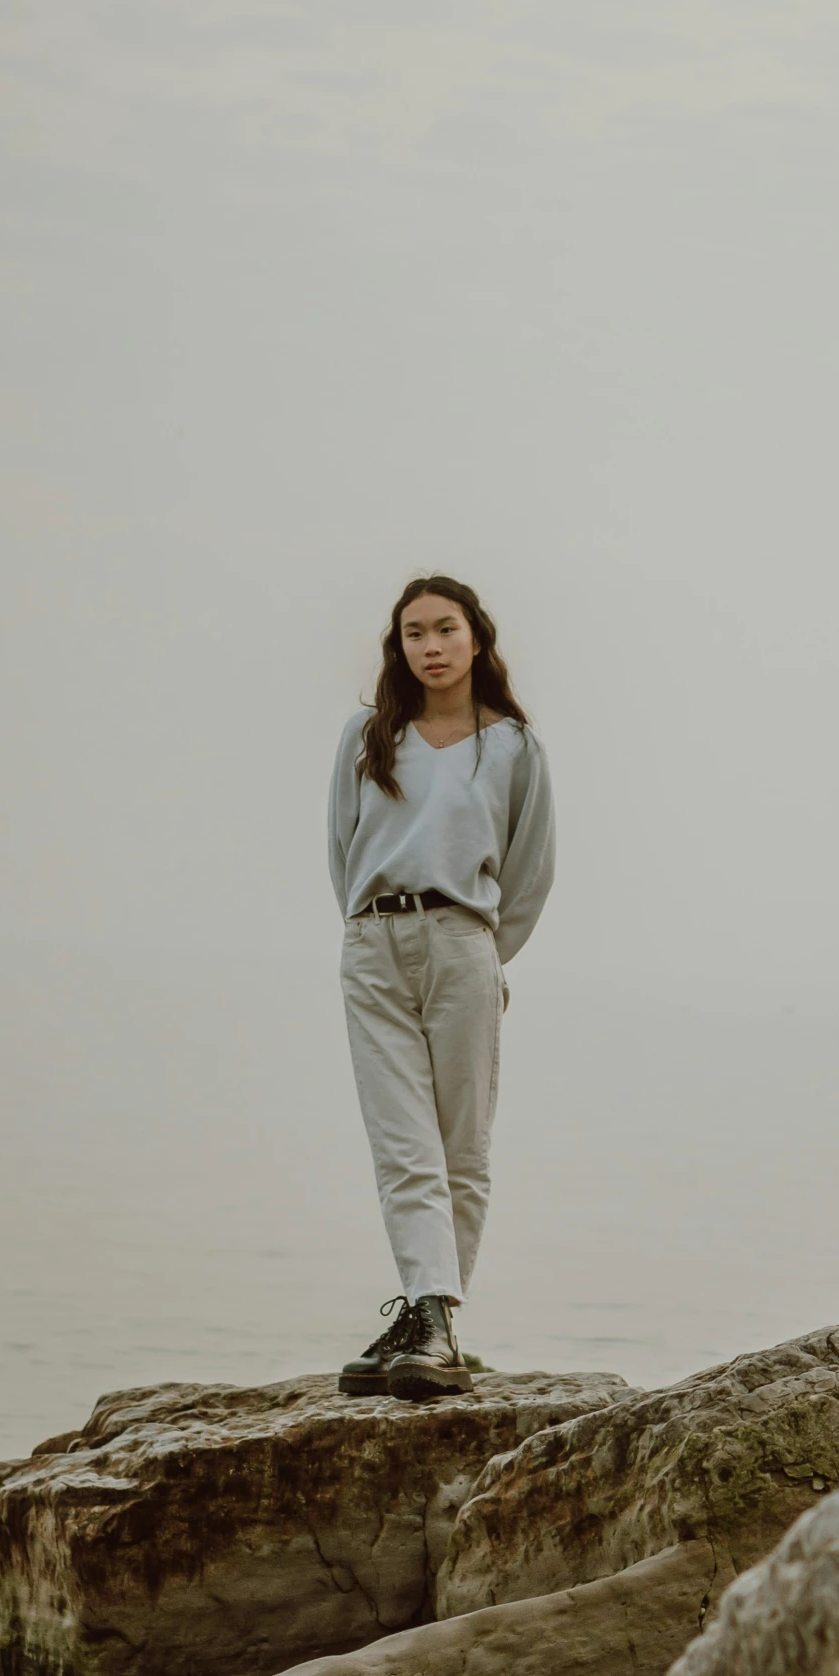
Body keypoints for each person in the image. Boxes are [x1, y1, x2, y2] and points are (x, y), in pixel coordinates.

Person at [327, 575, 555, 1399]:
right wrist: (368, 930)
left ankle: (433, 1317)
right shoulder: (367, 736)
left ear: (475, 639)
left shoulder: (514, 748)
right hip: (374, 944)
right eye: (414, 632)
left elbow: (530, 872)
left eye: (444, 629)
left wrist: (483, 953)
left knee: (461, 1146)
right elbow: (340, 850)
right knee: (402, 1145)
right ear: (400, 646)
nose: (429, 644)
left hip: (464, 943)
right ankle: (429, 1315)